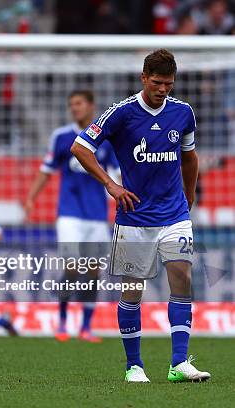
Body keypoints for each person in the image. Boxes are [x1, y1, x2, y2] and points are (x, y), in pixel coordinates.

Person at [71, 49, 211, 383]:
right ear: (143, 78)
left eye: (169, 84)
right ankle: (134, 366)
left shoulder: (183, 113)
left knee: (182, 277)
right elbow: (80, 147)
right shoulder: (121, 113)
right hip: (135, 217)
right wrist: (111, 184)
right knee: (133, 289)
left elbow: (190, 158)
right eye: (158, 82)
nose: (163, 89)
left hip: (174, 214)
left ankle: (179, 363)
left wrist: (188, 197)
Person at [25, 90, 119, 343]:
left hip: (97, 215)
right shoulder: (62, 137)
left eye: (78, 104)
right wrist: (31, 197)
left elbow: (116, 174)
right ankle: (63, 322)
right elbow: (46, 170)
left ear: (91, 105)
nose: (74, 108)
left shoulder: (105, 139)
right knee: (72, 266)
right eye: (71, 104)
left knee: (92, 271)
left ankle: (86, 327)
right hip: (69, 214)